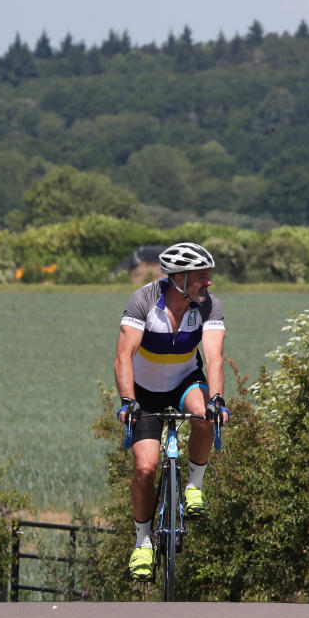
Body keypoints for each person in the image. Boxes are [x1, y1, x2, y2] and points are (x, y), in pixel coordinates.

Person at [114, 242, 229, 580]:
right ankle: (143, 542)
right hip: (144, 393)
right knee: (146, 469)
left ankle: (194, 485)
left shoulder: (210, 306)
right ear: (179, 277)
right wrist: (127, 400)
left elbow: (214, 359)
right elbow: (123, 357)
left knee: (205, 415)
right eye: (201, 277)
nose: (207, 283)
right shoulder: (145, 300)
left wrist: (218, 399)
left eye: (209, 277)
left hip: (184, 381)